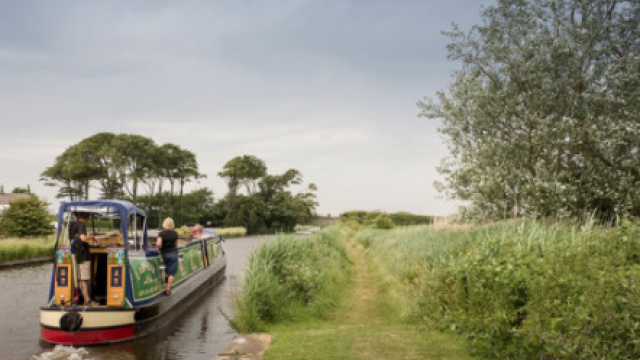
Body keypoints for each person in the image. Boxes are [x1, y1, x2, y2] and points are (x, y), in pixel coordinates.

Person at [70, 212, 98, 306]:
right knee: (84, 279)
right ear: (85, 218)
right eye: (88, 218)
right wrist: (91, 237)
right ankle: (87, 300)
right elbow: (82, 238)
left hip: (76, 255)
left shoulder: (73, 225)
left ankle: (84, 298)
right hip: (82, 256)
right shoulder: (81, 225)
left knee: (81, 278)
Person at [157, 217, 179, 295]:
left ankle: (165, 278)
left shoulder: (161, 233)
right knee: (172, 273)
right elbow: (176, 244)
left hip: (165, 254)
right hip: (173, 253)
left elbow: (159, 244)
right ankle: (168, 290)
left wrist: (158, 248)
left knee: (166, 266)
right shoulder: (175, 233)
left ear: (164, 224)